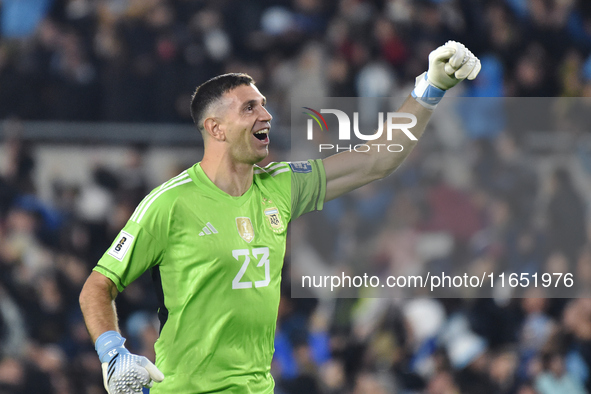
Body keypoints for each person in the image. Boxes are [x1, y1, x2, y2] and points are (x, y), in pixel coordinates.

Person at [79, 41, 480, 393]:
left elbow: (376, 159)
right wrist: (113, 354)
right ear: (215, 128)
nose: (266, 115)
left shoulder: (280, 186)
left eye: (265, 105)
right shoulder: (170, 203)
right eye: (250, 108)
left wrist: (429, 89)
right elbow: (97, 286)